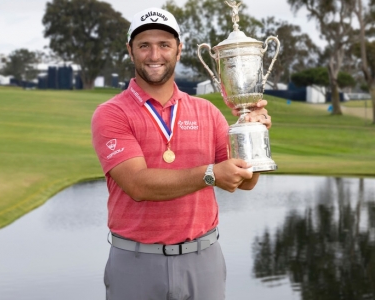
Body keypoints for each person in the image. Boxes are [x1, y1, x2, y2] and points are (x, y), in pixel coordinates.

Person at [91, 7, 272, 300]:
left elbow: (245, 181)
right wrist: (211, 173)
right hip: (136, 262)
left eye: (164, 45)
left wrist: (252, 135)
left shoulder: (207, 112)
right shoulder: (111, 114)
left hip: (203, 259)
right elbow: (137, 185)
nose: (154, 55)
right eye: (144, 45)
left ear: (179, 50)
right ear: (130, 50)